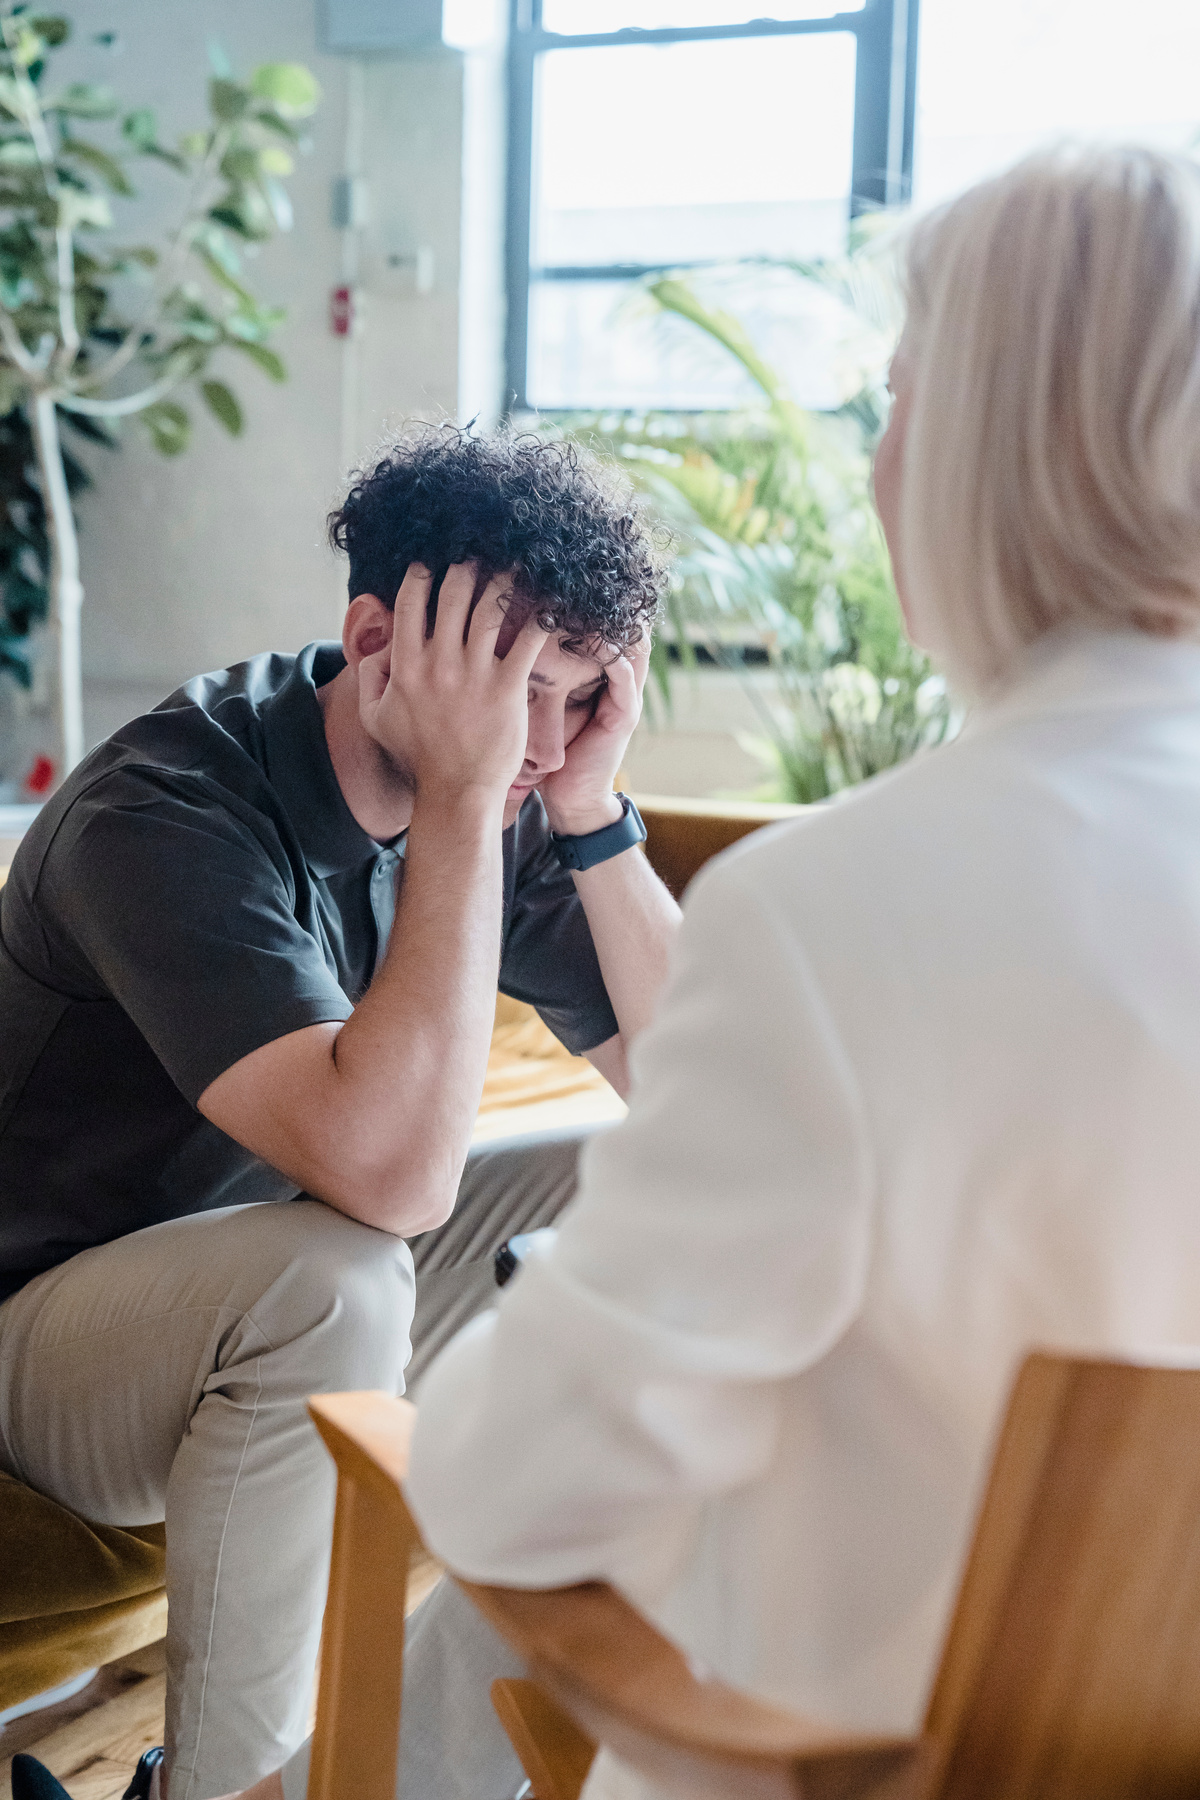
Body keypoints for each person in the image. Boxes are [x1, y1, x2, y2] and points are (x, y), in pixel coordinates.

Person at [195, 142, 1200, 1800]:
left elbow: (510, 1487)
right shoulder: (194, 792)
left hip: (860, 1756)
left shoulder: (841, 908)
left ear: (980, 450)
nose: (878, 460)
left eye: (895, 400)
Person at [0, 426, 681, 1800]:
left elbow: (719, 1097)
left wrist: (594, 815)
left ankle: (398, 1758)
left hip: (230, 1302)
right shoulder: (164, 810)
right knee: (334, 1279)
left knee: (648, 1199)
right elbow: (396, 1179)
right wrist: (467, 795)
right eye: (521, 696)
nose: (544, 744)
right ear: (377, 642)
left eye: (580, 700)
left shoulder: (524, 784)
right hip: (37, 1343)